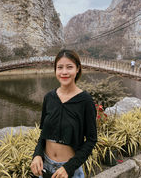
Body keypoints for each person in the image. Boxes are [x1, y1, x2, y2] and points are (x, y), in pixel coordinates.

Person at [30, 49, 97, 178]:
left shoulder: (85, 101)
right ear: (55, 70)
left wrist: (69, 168)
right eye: (60, 67)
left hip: (68, 170)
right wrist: (37, 155)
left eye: (69, 67)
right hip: (44, 166)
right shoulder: (49, 97)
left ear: (77, 69)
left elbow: (91, 140)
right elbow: (43, 134)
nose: (64, 72)